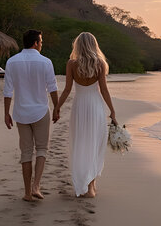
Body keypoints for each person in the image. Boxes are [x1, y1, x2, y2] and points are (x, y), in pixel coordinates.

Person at [53, 32, 117, 198]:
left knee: (81, 143)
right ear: (94, 45)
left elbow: (67, 89)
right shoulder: (100, 64)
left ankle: (84, 183)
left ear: (78, 45)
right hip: (95, 107)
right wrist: (112, 111)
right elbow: (104, 90)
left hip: (80, 106)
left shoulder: (71, 64)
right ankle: (91, 186)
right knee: (94, 143)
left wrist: (57, 107)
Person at [3, 29, 58, 202]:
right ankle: (36, 186)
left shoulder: (12, 62)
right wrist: (57, 107)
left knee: (26, 152)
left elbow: (7, 90)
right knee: (41, 149)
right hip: (41, 111)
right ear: (35, 43)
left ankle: (27, 193)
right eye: (41, 41)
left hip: (20, 112)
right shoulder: (46, 62)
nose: (41, 44)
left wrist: (6, 113)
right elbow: (53, 87)